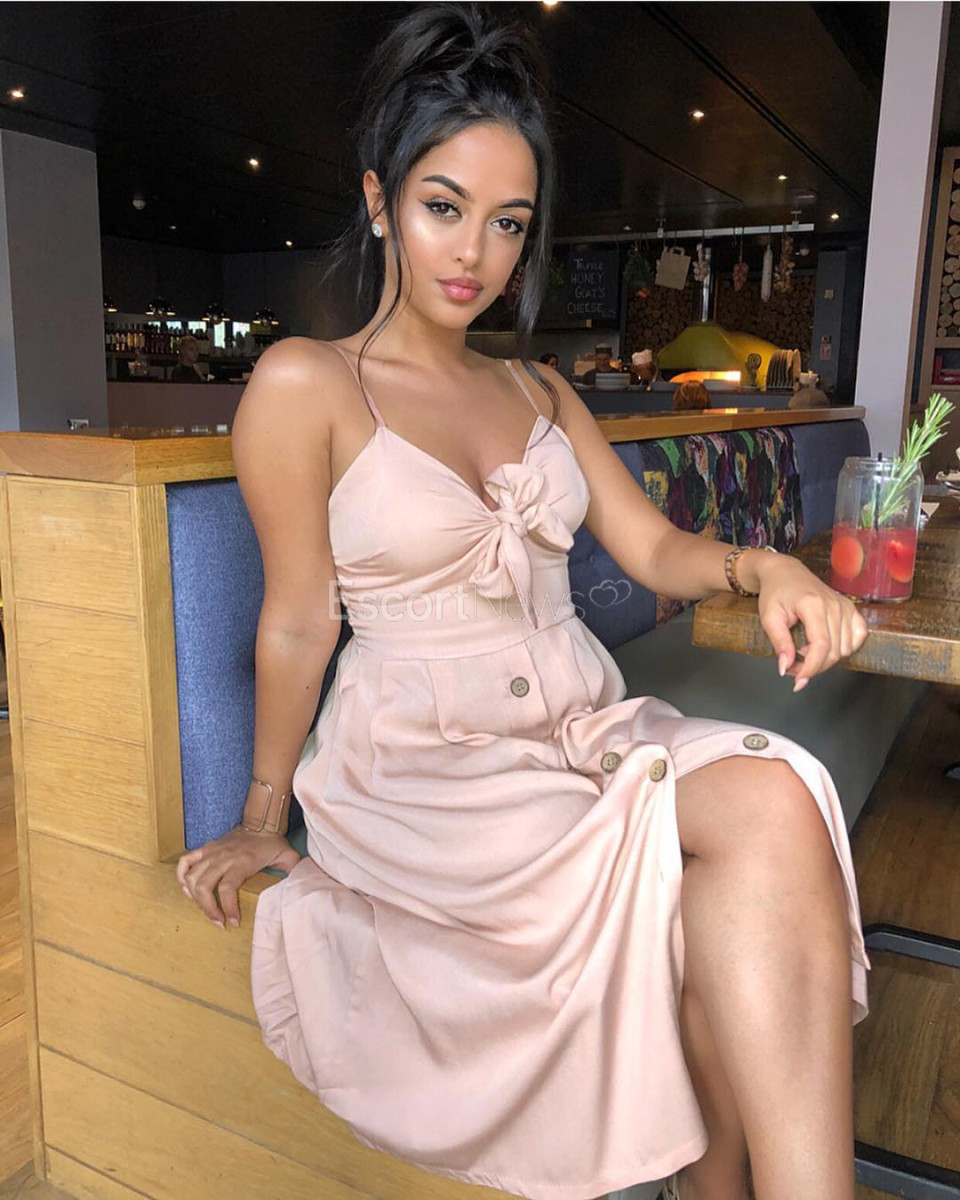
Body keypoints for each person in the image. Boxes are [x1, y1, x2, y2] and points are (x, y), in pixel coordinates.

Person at [177, 7, 870, 1200]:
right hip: (422, 768)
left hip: (576, 726)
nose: (475, 254)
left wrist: (769, 569)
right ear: (380, 199)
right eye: (444, 206)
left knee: (781, 797)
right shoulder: (305, 382)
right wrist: (259, 814)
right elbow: (297, 619)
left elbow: (653, 548)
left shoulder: (540, 389)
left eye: (508, 222)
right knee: (703, 889)